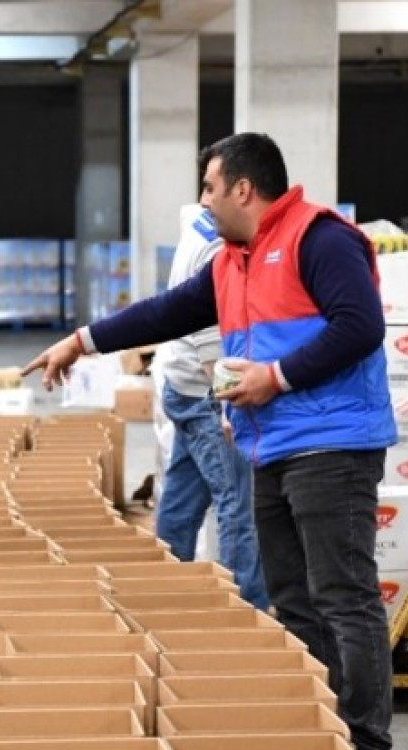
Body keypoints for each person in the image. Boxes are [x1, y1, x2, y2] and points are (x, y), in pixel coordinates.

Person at [24, 132, 398, 750]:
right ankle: (323, 724)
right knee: (292, 593)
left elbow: (361, 325)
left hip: (333, 444)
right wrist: (80, 340)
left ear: (243, 189)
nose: (204, 200)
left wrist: (275, 377)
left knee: (343, 594)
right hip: (270, 442)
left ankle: (368, 749)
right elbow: (168, 311)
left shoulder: (320, 238)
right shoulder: (235, 260)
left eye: (209, 187)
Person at [153, 204, 267, 610]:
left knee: (183, 496)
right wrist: (227, 403)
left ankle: (161, 593)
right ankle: (247, 612)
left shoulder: (200, 227)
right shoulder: (218, 245)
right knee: (238, 500)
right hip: (204, 392)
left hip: (183, 386)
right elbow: (206, 333)